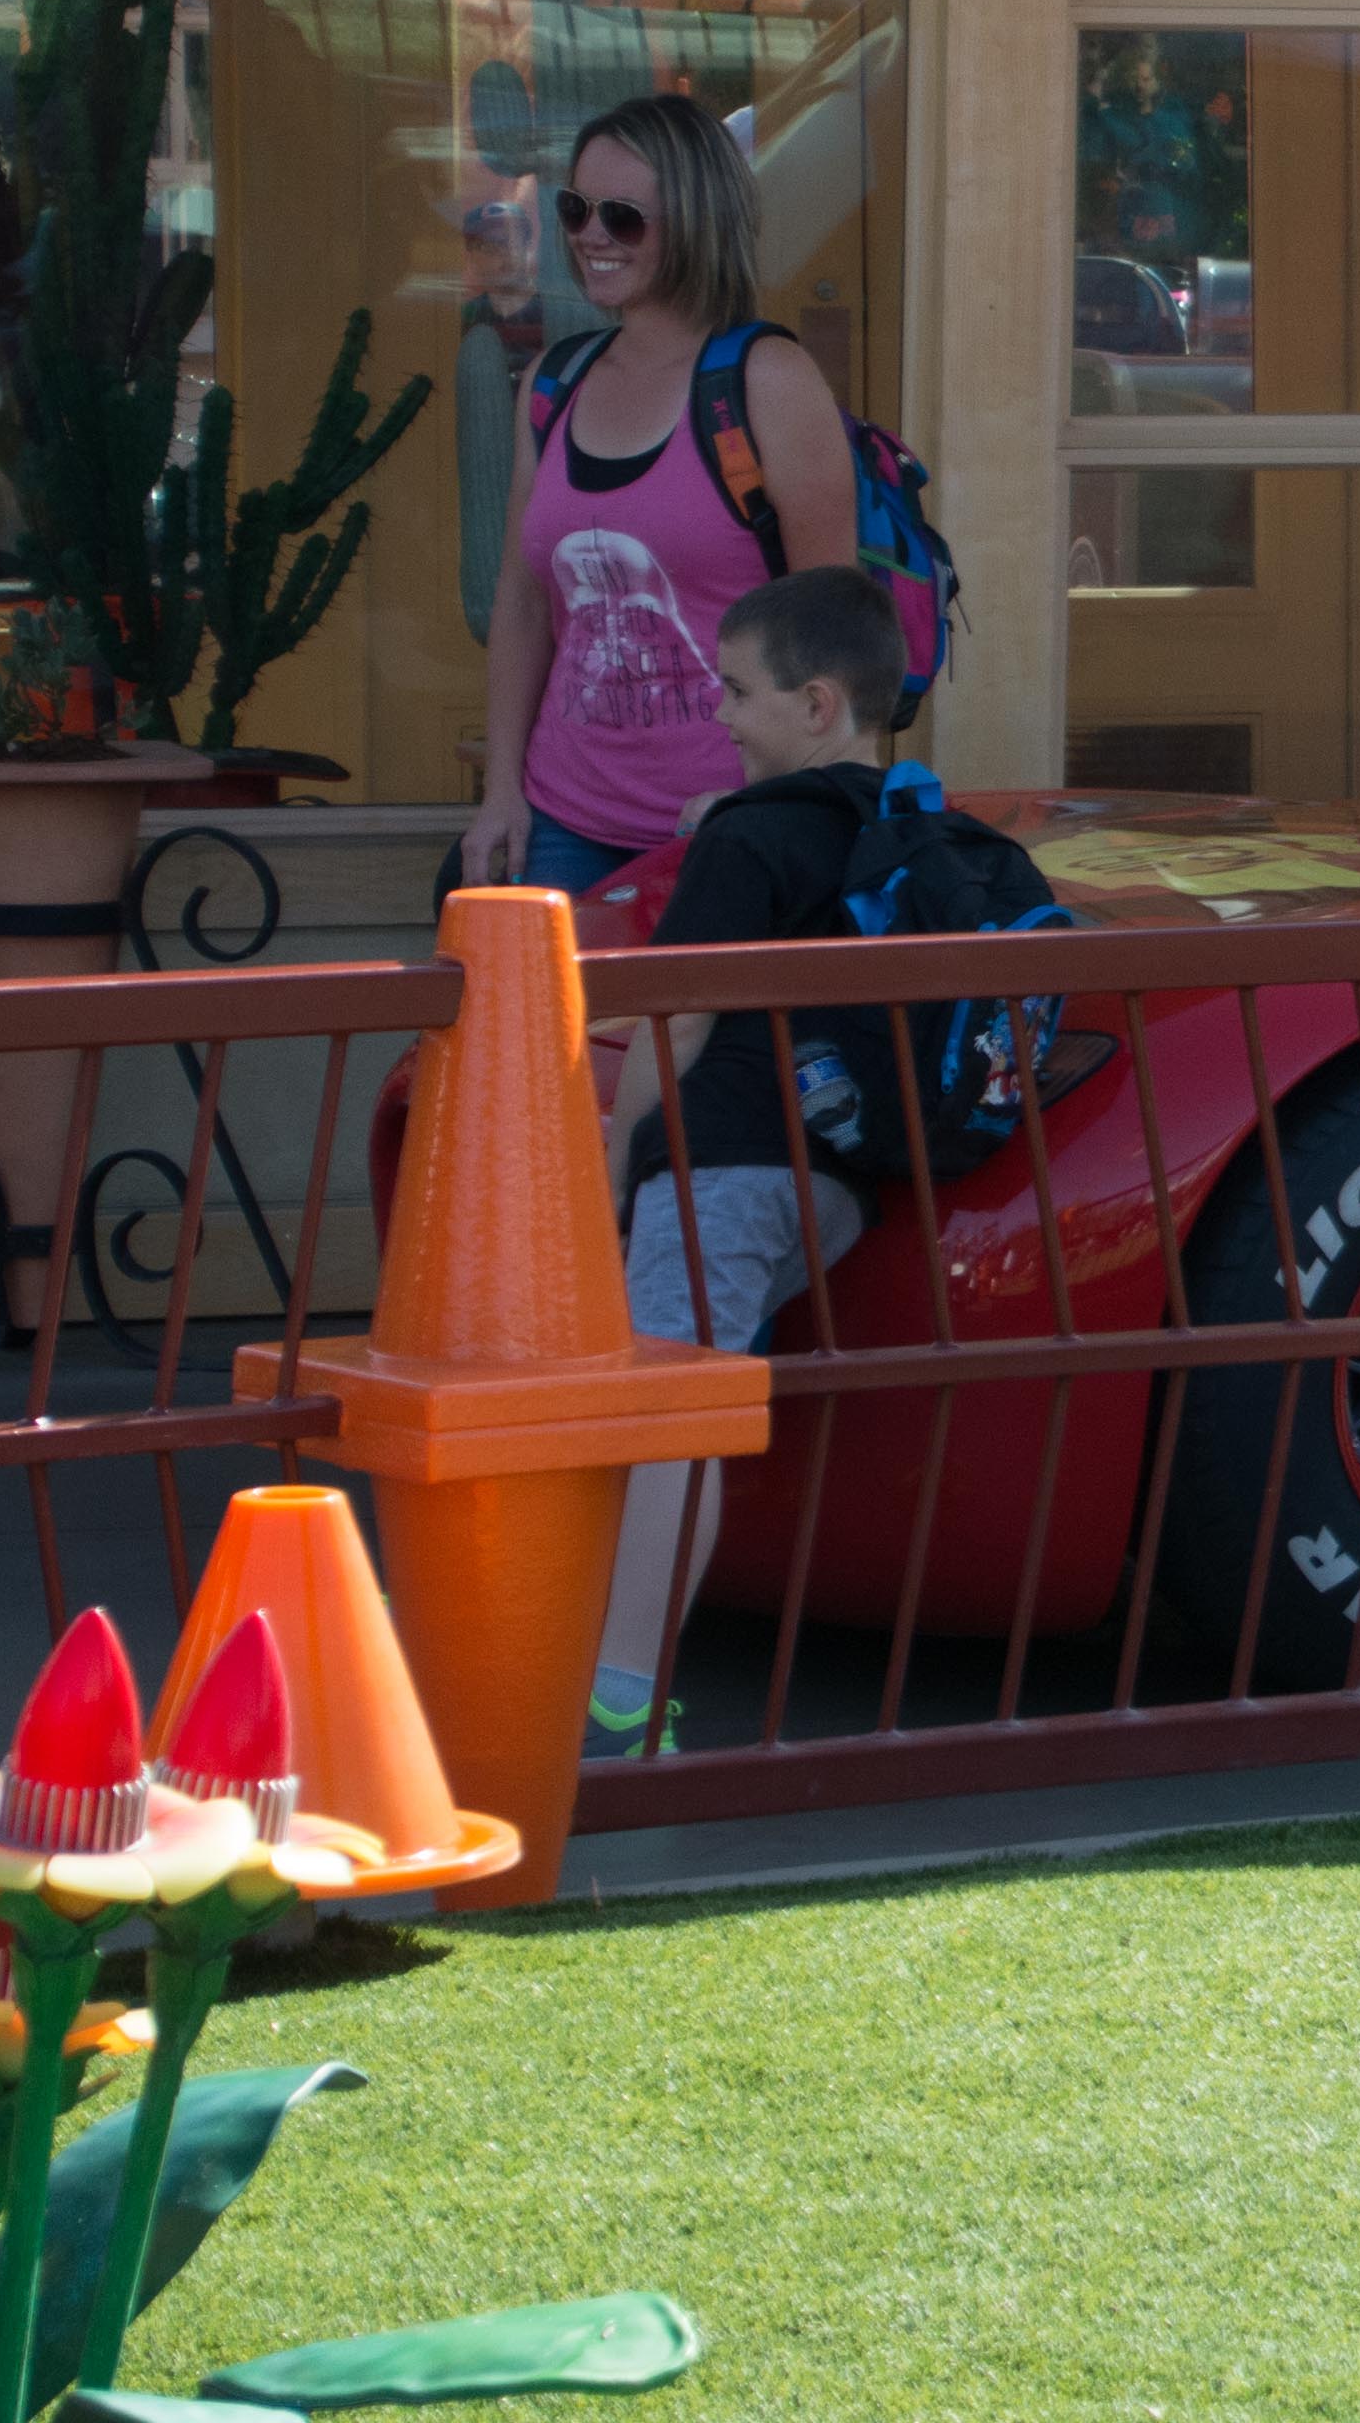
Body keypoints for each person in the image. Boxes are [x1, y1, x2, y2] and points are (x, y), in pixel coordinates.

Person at [584, 563, 902, 1755]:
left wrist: (615, 1171)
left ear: (816, 703)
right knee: (692, 1397)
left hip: (721, 1168)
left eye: (735, 689)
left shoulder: (748, 839)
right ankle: (606, 1675)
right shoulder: (907, 824)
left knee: (666, 1416)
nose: (717, 713)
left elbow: (674, 1027)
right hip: (843, 1180)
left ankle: (619, 1704)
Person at [460, 91, 858, 895]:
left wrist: (777, 806)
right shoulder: (553, 384)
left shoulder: (768, 382)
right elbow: (523, 601)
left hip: (729, 821)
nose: (591, 236)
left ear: (697, 222)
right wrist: (501, 790)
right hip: (563, 816)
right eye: (575, 209)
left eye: (623, 218)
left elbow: (835, 628)